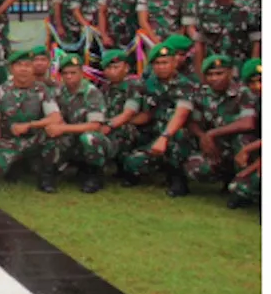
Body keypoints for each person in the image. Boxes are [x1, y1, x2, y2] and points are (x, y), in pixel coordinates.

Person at [0, 49, 62, 192]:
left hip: (34, 139)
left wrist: (30, 125)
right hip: (9, 141)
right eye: (19, 65)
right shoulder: (1, 91)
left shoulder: (42, 89)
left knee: (54, 131)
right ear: (11, 68)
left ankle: (46, 178)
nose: (24, 69)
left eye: (28, 65)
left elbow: (56, 116)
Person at [120, 41, 199, 197]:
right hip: (153, 135)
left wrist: (164, 137)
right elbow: (138, 112)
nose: (161, 67)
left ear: (174, 62)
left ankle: (177, 177)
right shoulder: (145, 83)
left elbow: (181, 114)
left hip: (175, 136)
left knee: (179, 133)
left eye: (165, 62)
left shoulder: (186, 84)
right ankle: (132, 170)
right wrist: (122, 122)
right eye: (157, 63)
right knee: (131, 162)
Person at [184, 55, 258, 190]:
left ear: (230, 73)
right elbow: (193, 121)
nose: (215, 78)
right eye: (210, 74)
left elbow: (248, 122)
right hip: (217, 147)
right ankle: (226, 177)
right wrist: (202, 136)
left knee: (243, 139)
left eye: (219, 73)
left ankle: (243, 183)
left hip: (240, 146)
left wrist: (212, 133)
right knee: (194, 168)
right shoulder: (202, 93)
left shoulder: (243, 92)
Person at [51, 53, 112, 193]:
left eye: (73, 72)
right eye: (65, 73)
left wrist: (63, 128)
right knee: (49, 134)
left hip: (95, 138)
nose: (69, 76)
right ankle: (54, 170)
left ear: (81, 73)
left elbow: (95, 126)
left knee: (89, 138)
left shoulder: (91, 92)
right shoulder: (60, 92)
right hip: (71, 136)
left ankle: (95, 175)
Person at [189, 0, 260, 65]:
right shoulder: (205, 12)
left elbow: (255, 42)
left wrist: (253, 66)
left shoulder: (247, 11)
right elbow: (200, 44)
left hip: (240, 65)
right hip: (214, 66)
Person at [98, 49, 148, 180]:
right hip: (111, 127)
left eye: (116, 67)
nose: (112, 71)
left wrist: (108, 125)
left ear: (126, 68)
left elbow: (128, 113)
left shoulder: (134, 85)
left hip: (135, 131)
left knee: (123, 128)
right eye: (108, 67)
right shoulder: (104, 88)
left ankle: (128, 169)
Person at [228, 58, 261, 209]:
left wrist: (251, 167)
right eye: (252, 83)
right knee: (237, 188)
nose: (258, 86)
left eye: (261, 80)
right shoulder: (258, 101)